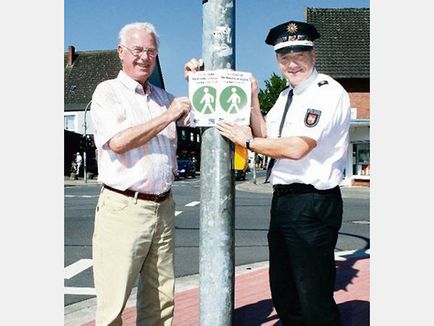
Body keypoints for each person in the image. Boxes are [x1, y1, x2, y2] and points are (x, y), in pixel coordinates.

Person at [214, 20, 350, 325]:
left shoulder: (326, 92)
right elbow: (267, 134)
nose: (292, 63)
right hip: (285, 202)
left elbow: (295, 148)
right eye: (284, 57)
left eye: (299, 54)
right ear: (278, 60)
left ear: (313, 56)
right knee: (285, 290)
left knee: (312, 295)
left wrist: (248, 141)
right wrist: (253, 98)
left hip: (312, 202)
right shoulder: (287, 96)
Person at [90, 22, 191, 325]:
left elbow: (203, 115)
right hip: (124, 208)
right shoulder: (108, 92)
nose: (144, 57)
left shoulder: (163, 97)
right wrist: (170, 114)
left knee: (160, 298)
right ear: (121, 52)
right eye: (137, 50)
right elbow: (118, 141)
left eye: (151, 51)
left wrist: (198, 80)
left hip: (163, 207)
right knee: (113, 303)